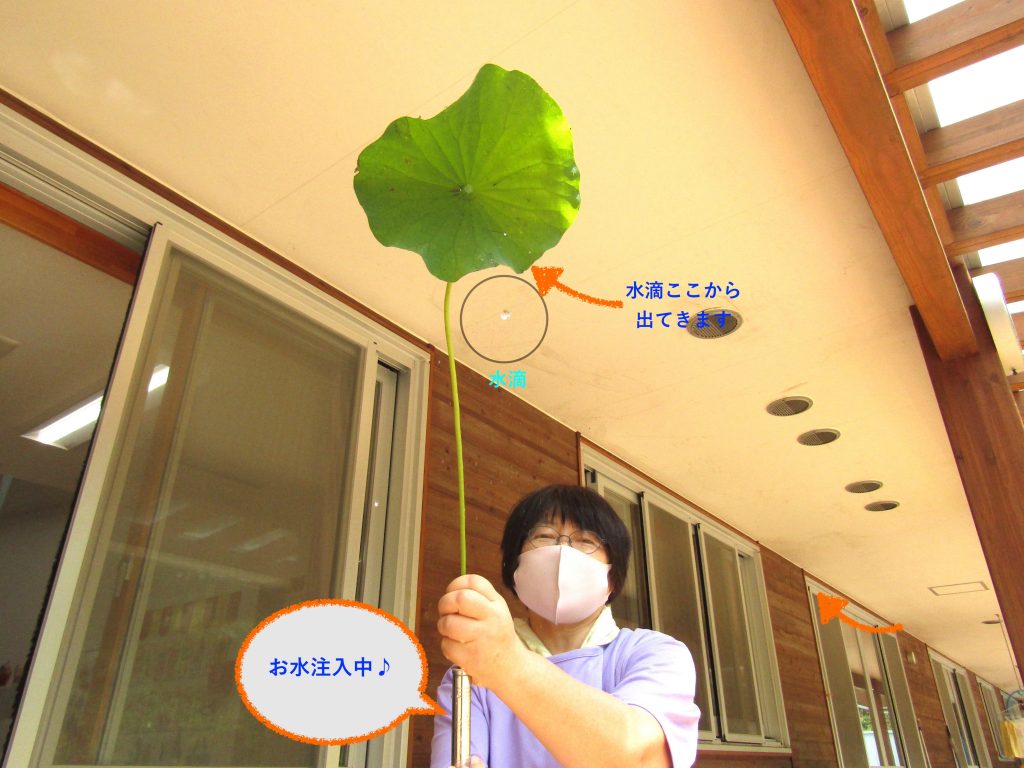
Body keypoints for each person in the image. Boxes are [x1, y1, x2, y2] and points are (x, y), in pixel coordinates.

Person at [430, 485, 700, 768]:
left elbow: (639, 755)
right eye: (544, 536)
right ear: (514, 567)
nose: (563, 551)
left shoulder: (654, 653)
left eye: (585, 540)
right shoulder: (468, 676)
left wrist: (505, 661)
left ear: (612, 578)